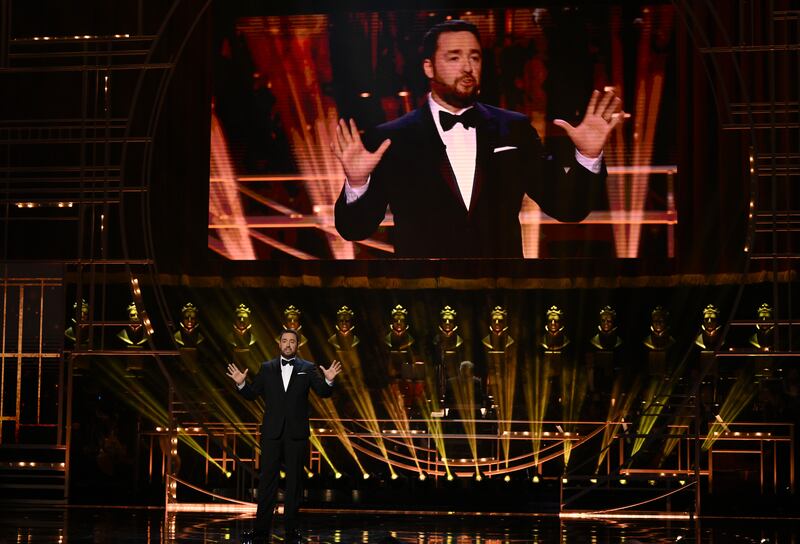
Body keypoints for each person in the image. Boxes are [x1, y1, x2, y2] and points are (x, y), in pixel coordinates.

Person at [332, 19, 623, 258]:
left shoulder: (514, 129)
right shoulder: (392, 138)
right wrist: (357, 184)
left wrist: (587, 156)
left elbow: (567, 208)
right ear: (428, 67)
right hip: (426, 298)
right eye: (454, 57)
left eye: (475, 56)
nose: (468, 67)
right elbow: (354, 230)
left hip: (501, 298)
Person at [226, 329, 342, 544]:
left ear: (297, 345)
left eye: (292, 341)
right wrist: (241, 384)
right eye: (285, 341)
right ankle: (260, 531)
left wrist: (329, 382)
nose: (288, 344)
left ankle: (292, 531)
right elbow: (252, 394)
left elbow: (323, 393)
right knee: (267, 482)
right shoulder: (267, 367)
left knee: (294, 484)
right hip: (272, 433)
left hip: (296, 434)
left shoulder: (307, 368)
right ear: (279, 344)